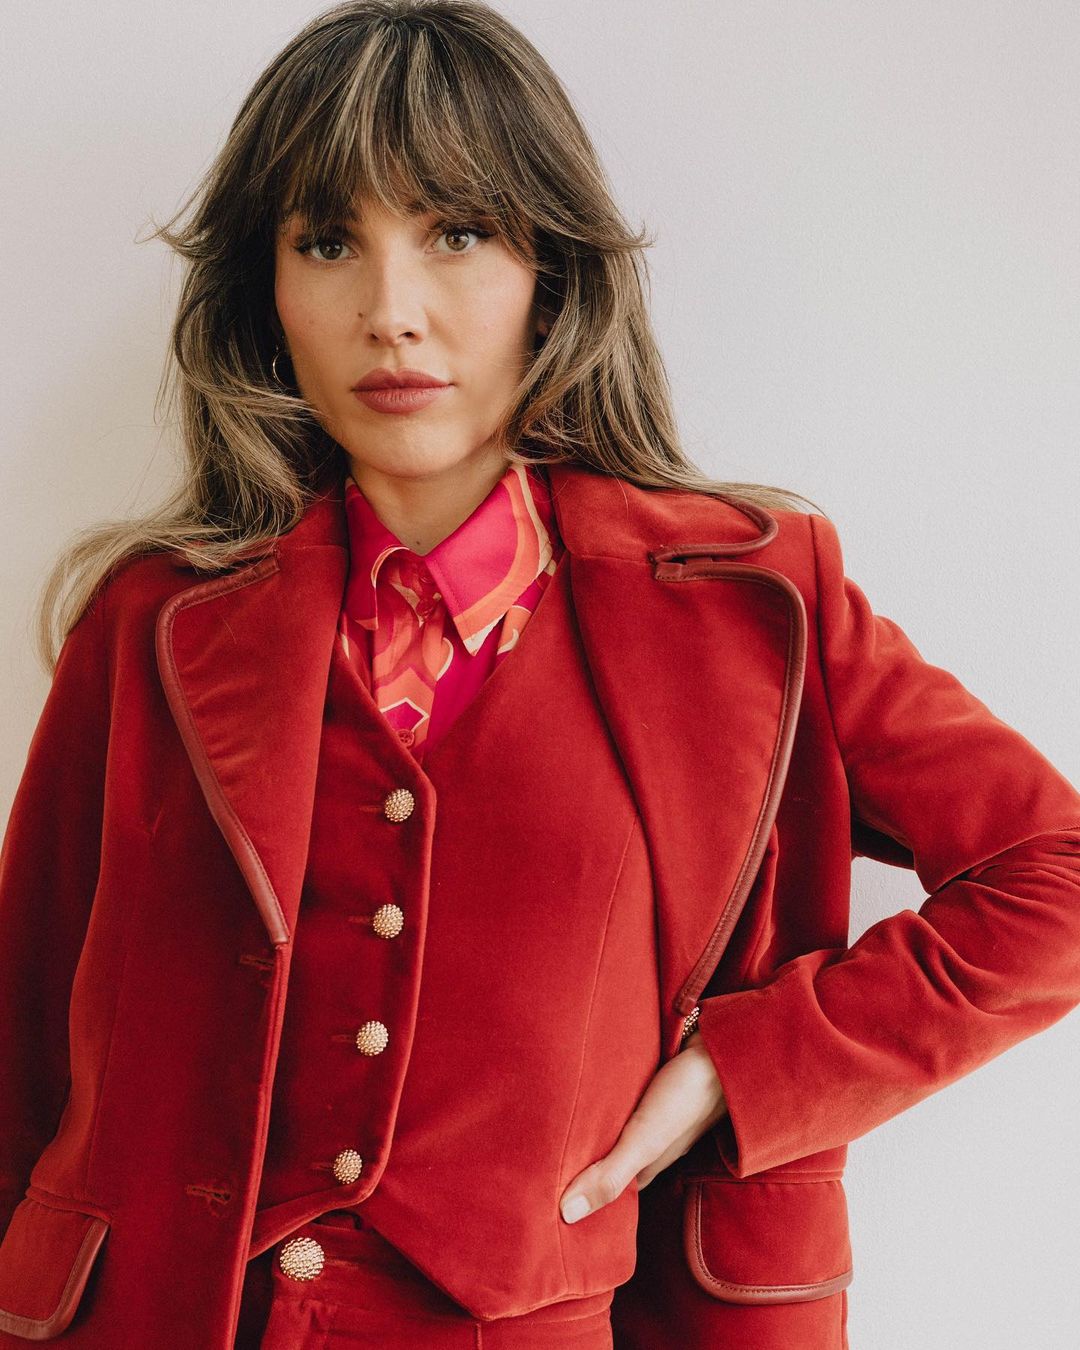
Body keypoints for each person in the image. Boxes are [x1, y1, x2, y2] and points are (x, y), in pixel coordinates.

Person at [1, 2, 1078, 1348]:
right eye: (327, 241)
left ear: (551, 272)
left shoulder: (755, 605)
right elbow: (23, 1051)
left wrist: (741, 1071)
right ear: (262, 292)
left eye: (457, 232)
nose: (390, 313)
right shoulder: (150, 620)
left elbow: (1055, 876)